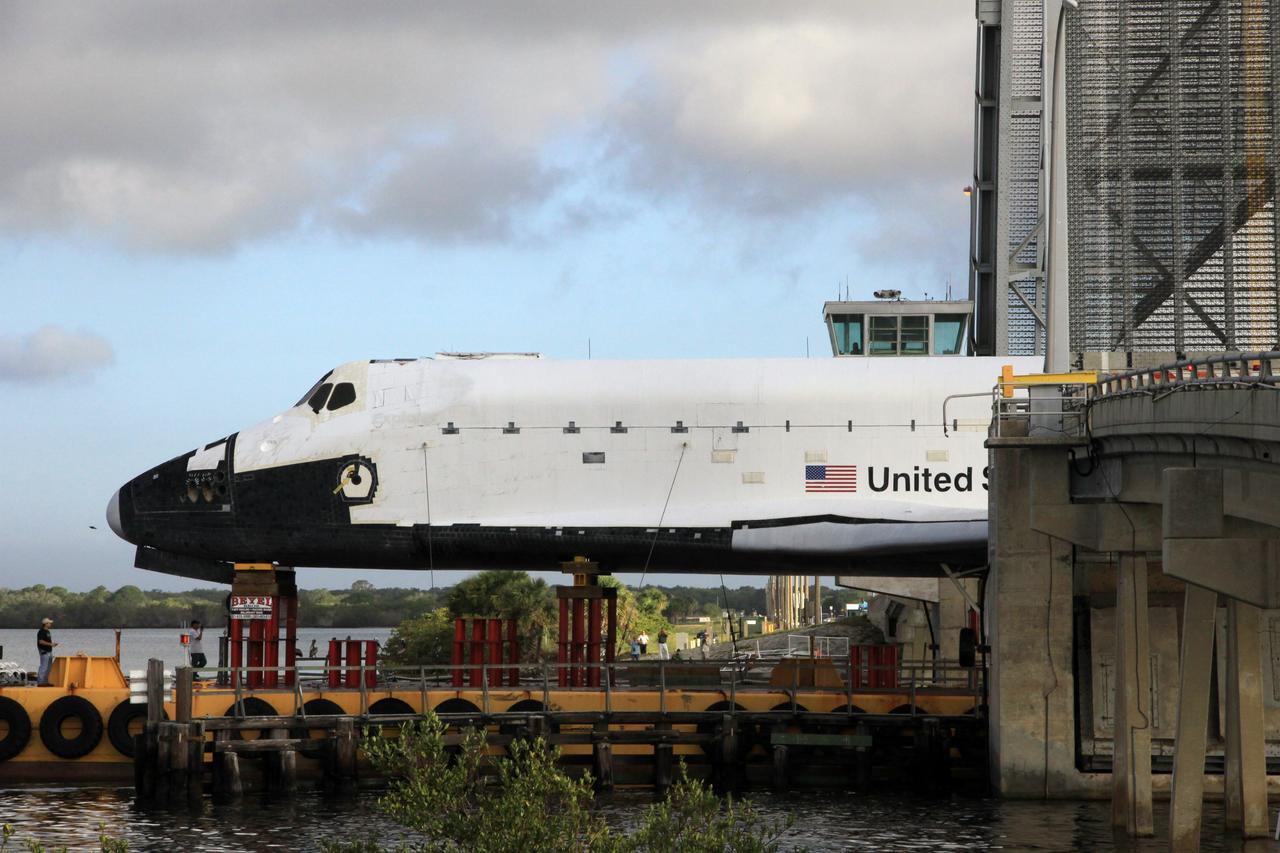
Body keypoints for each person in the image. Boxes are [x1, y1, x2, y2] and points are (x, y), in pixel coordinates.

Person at [36, 618, 57, 686]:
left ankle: (45, 682)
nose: (50, 624)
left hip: (49, 651)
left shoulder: (48, 631)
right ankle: (40, 682)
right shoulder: (41, 631)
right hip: (44, 651)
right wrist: (50, 644)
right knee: (43, 667)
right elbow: (41, 642)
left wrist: (52, 644)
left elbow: (46, 641)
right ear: (45, 624)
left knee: (48, 667)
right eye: (49, 623)